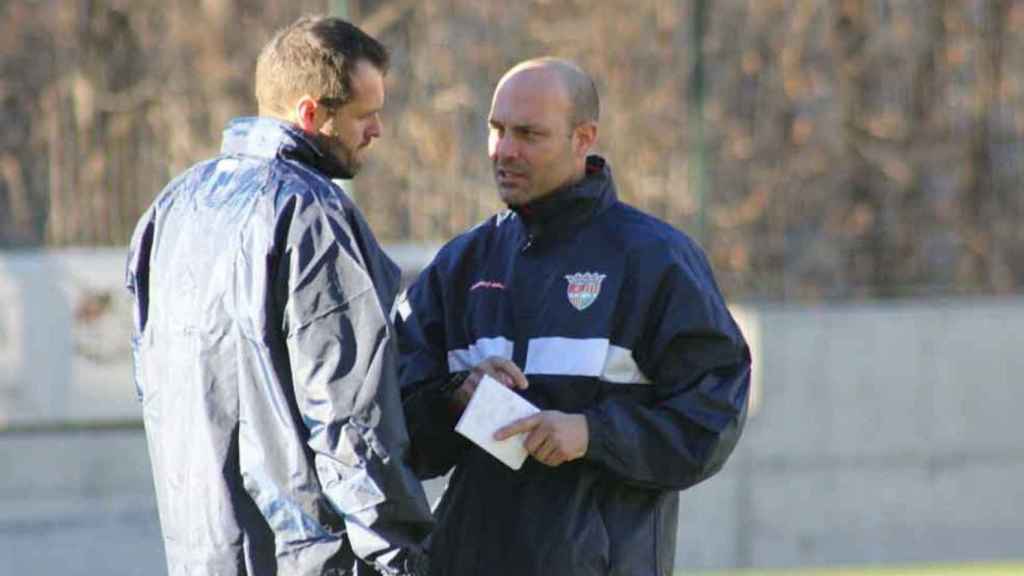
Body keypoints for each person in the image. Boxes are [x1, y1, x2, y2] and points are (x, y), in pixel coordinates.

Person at [396, 58, 752, 575]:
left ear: (583, 138)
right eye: (496, 130)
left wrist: (592, 434)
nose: (505, 150)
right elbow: (396, 431)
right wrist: (454, 397)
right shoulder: (461, 265)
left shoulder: (653, 260)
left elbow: (712, 418)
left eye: (529, 134)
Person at [126, 16, 432, 576]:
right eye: (366, 115)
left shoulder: (172, 207)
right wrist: (398, 555)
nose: (379, 130)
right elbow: (348, 413)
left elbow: (153, 387)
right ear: (311, 114)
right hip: (308, 556)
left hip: (202, 550)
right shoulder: (308, 212)